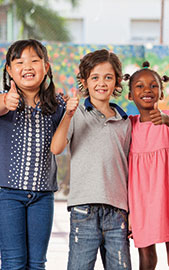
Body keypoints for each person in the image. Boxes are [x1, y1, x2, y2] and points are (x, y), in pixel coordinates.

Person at [0, 39, 66, 270]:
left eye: (34, 61)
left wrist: (70, 111)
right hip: (7, 194)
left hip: (42, 195)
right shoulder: (2, 97)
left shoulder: (57, 104)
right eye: (19, 62)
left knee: (37, 264)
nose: (27, 66)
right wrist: (6, 101)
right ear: (10, 70)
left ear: (46, 67)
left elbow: (60, 144)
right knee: (14, 263)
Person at [51, 49, 132, 270]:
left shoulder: (125, 122)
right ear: (84, 82)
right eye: (95, 77)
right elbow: (56, 147)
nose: (101, 83)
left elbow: (128, 169)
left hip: (117, 213)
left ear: (117, 82)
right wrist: (67, 115)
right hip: (83, 210)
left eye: (108, 77)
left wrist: (131, 212)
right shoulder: (76, 114)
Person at [124, 61, 169, 270]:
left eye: (153, 85)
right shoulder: (128, 126)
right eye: (139, 86)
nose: (147, 90)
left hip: (166, 194)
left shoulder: (167, 123)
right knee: (146, 257)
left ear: (161, 93)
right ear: (130, 95)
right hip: (141, 200)